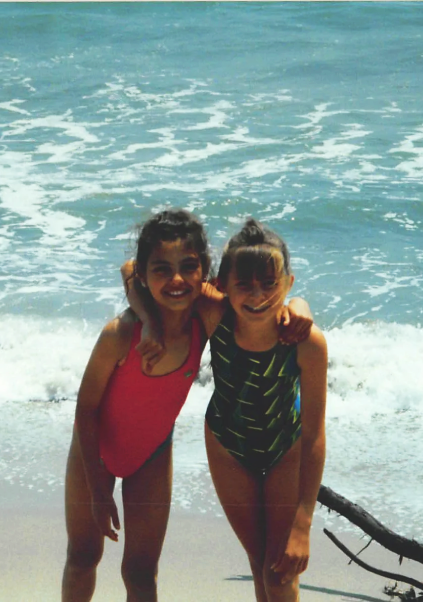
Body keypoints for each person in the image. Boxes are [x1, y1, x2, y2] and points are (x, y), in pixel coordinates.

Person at [63, 209, 312, 602]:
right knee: (83, 555)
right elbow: (86, 410)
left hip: (152, 455)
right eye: (161, 270)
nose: (177, 279)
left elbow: (270, 292)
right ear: (145, 277)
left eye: (189, 267)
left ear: (205, 275)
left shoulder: (206, 315)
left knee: (141, 572)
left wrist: (299, 305)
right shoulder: (122, 333)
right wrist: (97, 489)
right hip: (92, 454)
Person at [127, 217, 328, 602]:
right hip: (227, 446)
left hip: (286, 447)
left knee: (280, 574)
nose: (257, 296)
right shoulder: (215, 314)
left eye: (270, 283)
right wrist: (150, 322)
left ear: (289, 283)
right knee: (260, 562)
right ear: (221, 285)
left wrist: (303, 525)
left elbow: (315, 435)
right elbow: (133, 271)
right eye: (244, 284)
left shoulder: (305, 341)